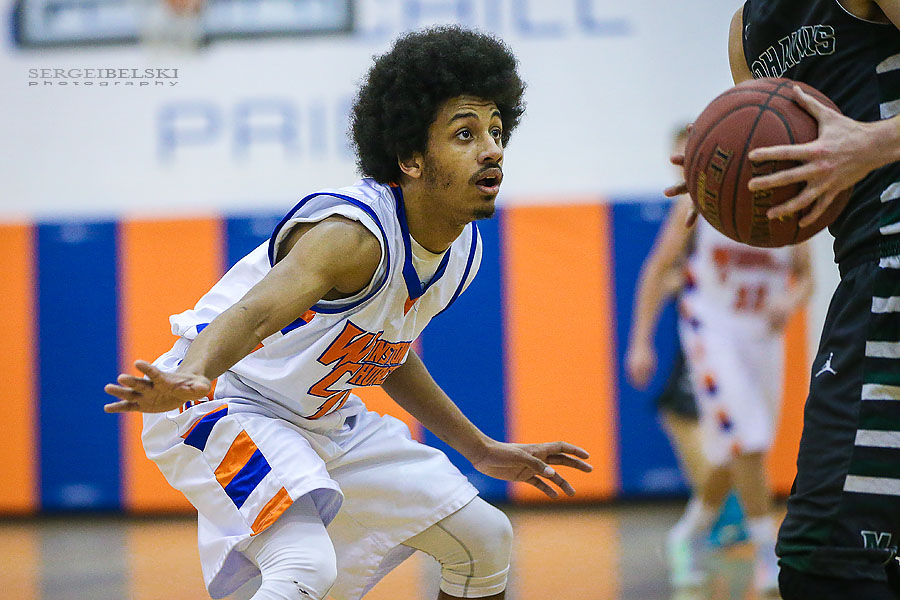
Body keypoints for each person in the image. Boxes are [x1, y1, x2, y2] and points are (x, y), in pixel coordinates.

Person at [103, 26, 592, 600]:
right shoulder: (354, 236)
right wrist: (195, 375)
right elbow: (255, 314)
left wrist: (481, 449)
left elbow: (386, 355)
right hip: (218, 397)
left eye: (496, 131)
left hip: (319, 418)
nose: (492, 149)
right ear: (410, 158)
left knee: (483, 538)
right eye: (465, 134)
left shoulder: (461, 252)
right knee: (304, 566)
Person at [667, 2, 900, 598]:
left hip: (890, 264)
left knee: (823, 556)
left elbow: (856, 148)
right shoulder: (746, 31)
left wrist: (875, 142)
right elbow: (777, 163)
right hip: (864, 267)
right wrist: (723, 183)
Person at [631, 125, 813, 594]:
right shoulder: (698, 201)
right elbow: (655, 270)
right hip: (711, 330)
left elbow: (807, 278)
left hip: (763, 336)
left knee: (734, 449)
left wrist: (789, 304)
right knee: (747, 439)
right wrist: (641, 341)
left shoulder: (789, 202)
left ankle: (686, 535)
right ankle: (767, 555)